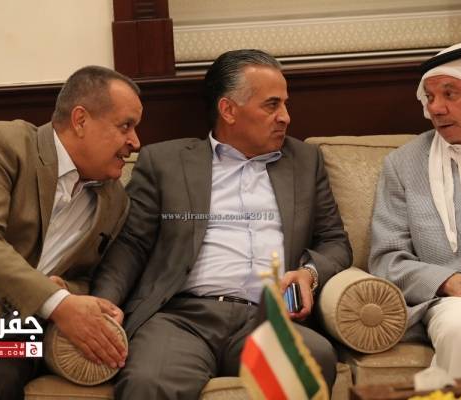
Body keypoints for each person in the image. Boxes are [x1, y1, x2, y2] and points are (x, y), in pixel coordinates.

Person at [93, 49, 352, 398]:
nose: (285, 117)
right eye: (272, 105)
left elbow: (335, 241)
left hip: (268, 317)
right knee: (147, 382)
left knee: (311, 359)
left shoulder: (304, 161)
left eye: (285, 104)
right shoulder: (165, 162)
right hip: (181, 317)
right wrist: (103, 305)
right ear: (228, 110)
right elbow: (131, 244)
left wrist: (309, 273)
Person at [0, 65, 142, 399]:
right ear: (80, 120)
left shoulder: (114, 201)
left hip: (6, 334)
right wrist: (58, 303)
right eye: (125, 126)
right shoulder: (1, 143)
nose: (135, 142)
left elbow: (84, 277)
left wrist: (74, 296)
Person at [369, 43, 461, 384]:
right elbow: (387, 260)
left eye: (450, 94)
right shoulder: (405, 165)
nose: (436, 108)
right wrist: (449, 281)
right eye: (430, 97)